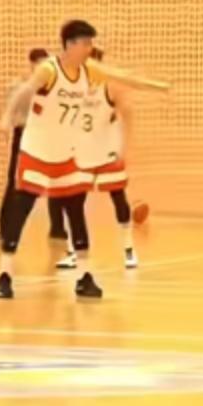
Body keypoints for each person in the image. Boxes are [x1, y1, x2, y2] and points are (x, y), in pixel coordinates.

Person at [0, 20, 168, 301]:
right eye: (86, 43)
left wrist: (156, 87)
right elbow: (25, 91)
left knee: (76, 211)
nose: (89, 48)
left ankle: (84, 276)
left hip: (66, 152)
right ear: (71, 44)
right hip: (37, 149)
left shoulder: (90, 70)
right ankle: (4, 275)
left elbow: (122, 77)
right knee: (21, 208)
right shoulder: (49, 69)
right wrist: (7, 117)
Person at [55, 48, 145, 271]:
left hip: (107, 151)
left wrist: (125, 147)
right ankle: (73, 251)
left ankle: (129, 249)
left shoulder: (110, 87)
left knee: (118, 198)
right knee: (72, 201)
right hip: (81, 151)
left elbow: (128, 114)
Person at [0, 48, 52, 242]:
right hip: (24, 133)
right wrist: (6, 122)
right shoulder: (21, 86)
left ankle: (58, 229)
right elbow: (12, 107)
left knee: (52, 183)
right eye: (39, 64)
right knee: (15, 181)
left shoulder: (52, 88)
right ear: (32, 64)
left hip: (44, 136)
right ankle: (6, 229)